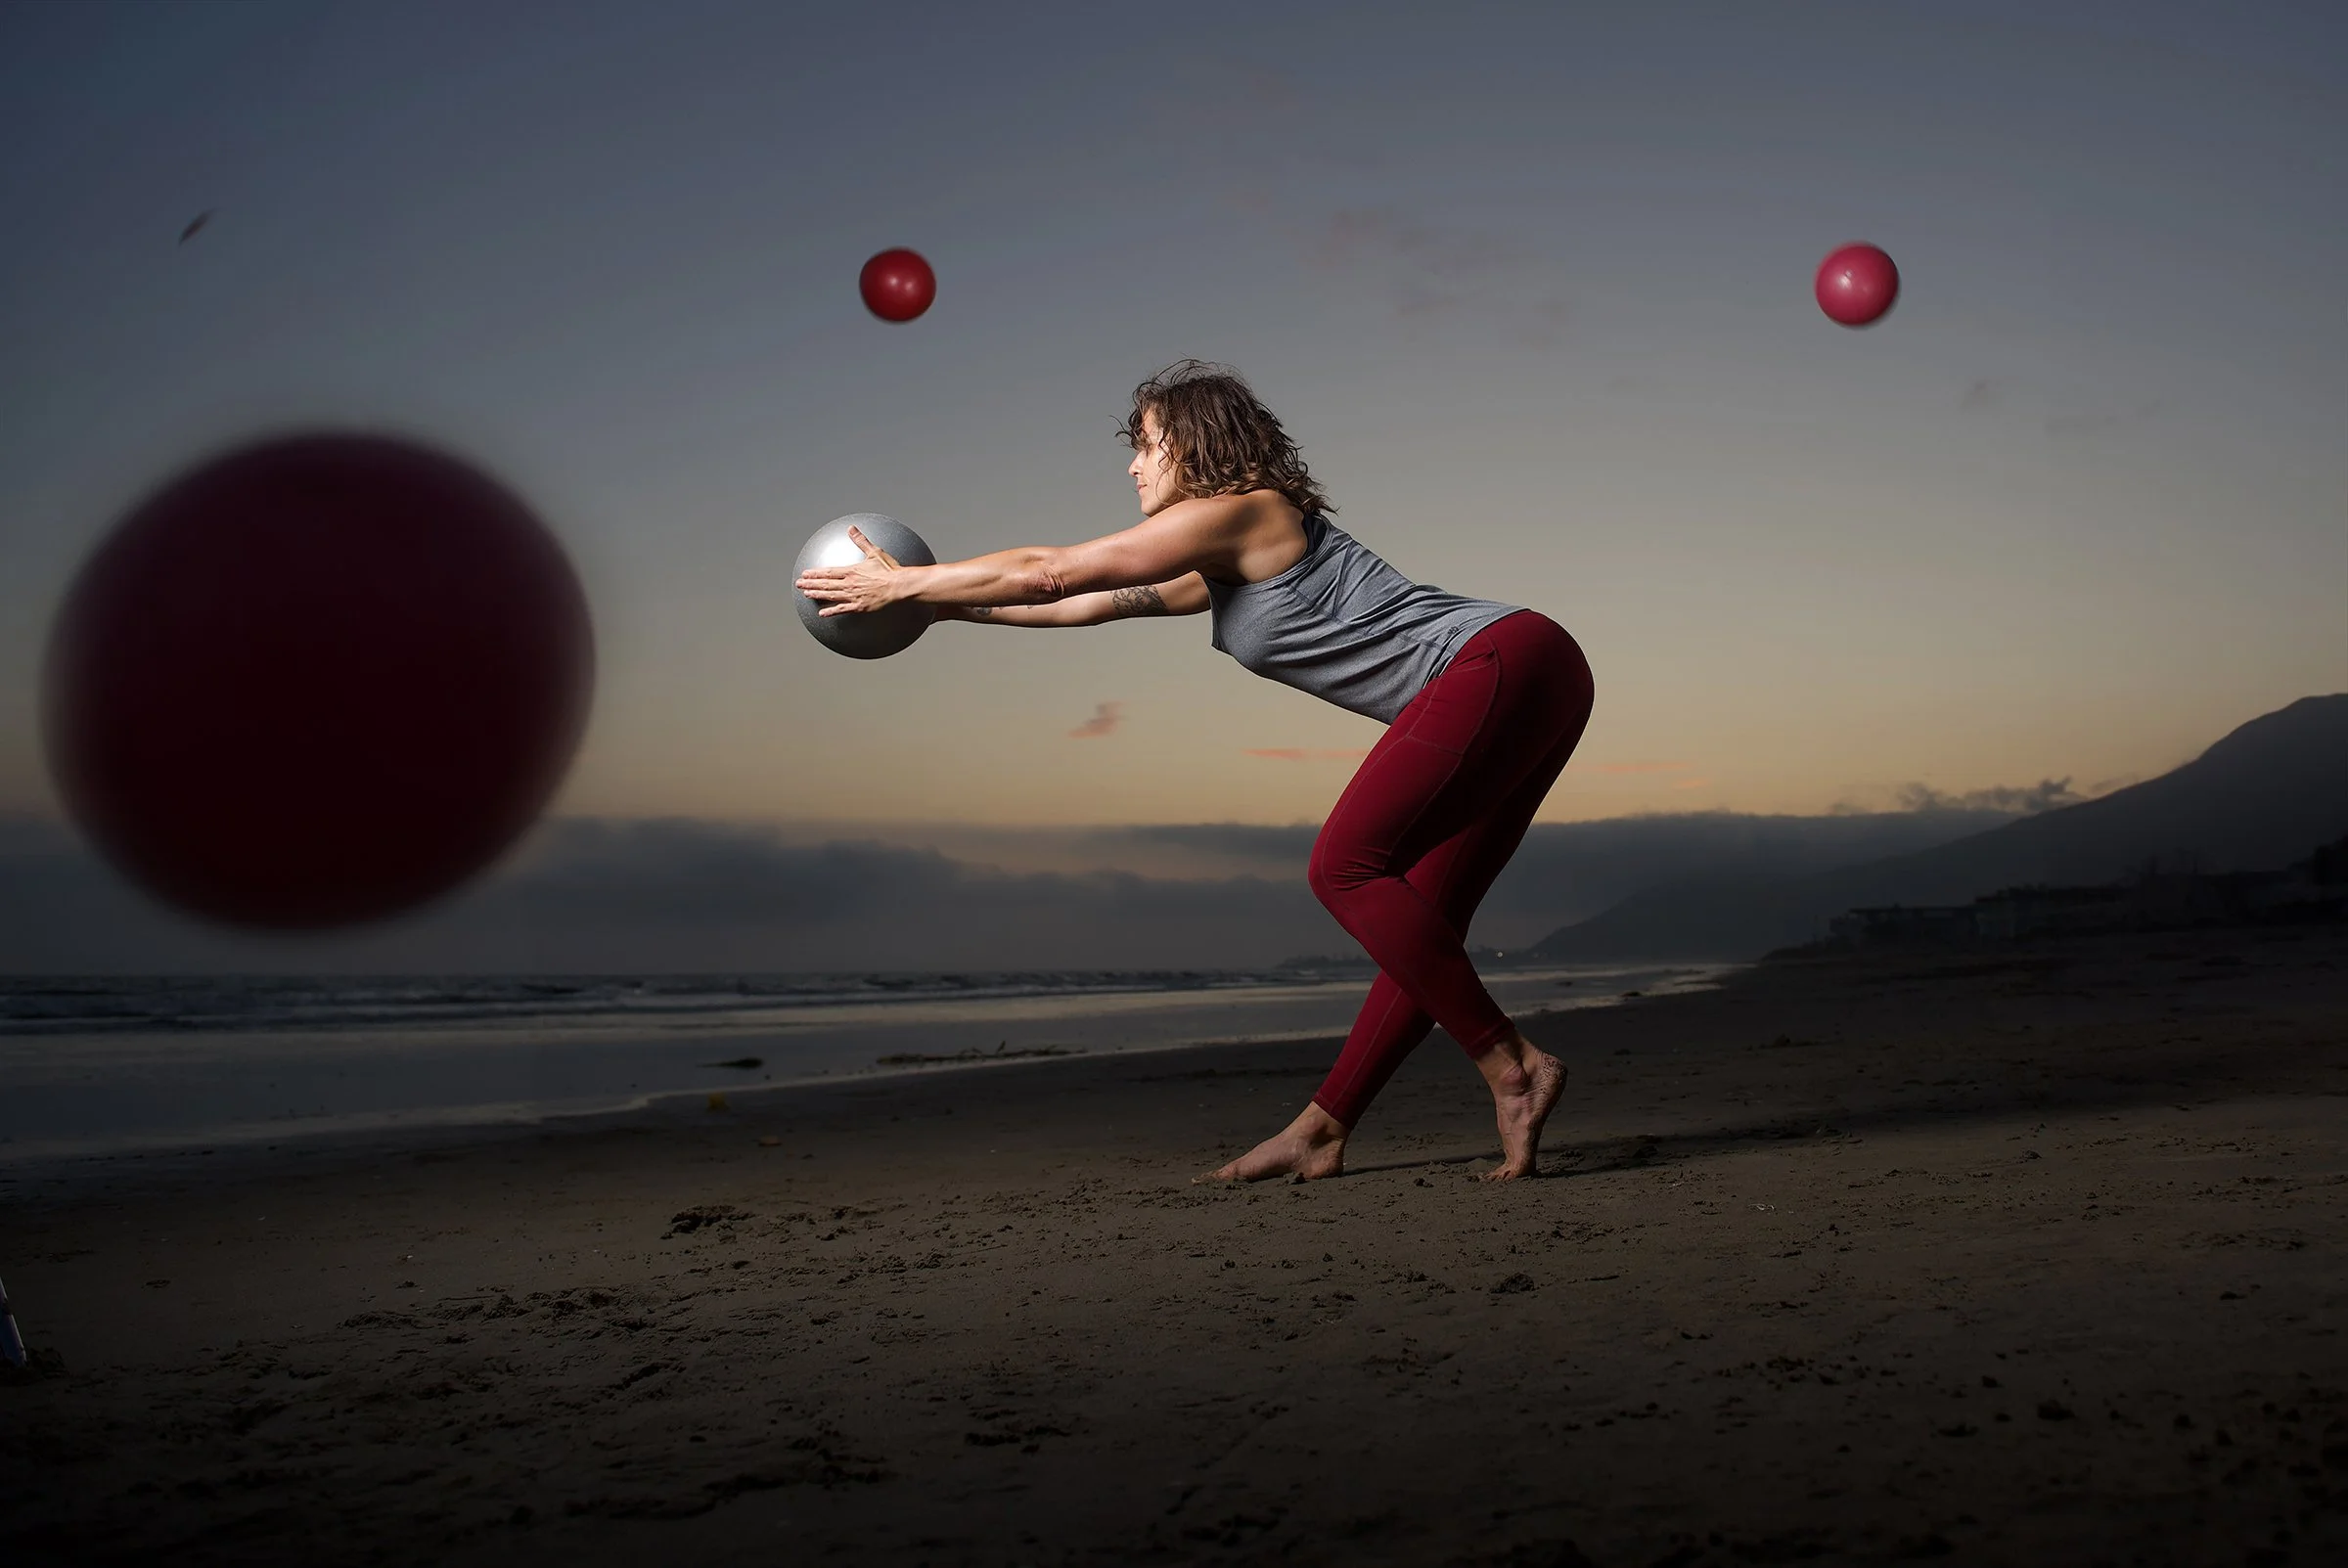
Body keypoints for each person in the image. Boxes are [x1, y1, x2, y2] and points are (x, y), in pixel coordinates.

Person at [793, 361, 1595, 1182]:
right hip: (1534, 674)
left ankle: (1513, 1065)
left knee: (1345, 867)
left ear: (1195, 437)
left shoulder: (1245, 511)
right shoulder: (1218, 560)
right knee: (1424, 918)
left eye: (1144, 443)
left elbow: (1054, 567)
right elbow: (1077, 603)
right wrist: (929, 605)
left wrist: (908, 579)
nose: (1132, 465)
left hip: (1496, 663)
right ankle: (1326, 1125)